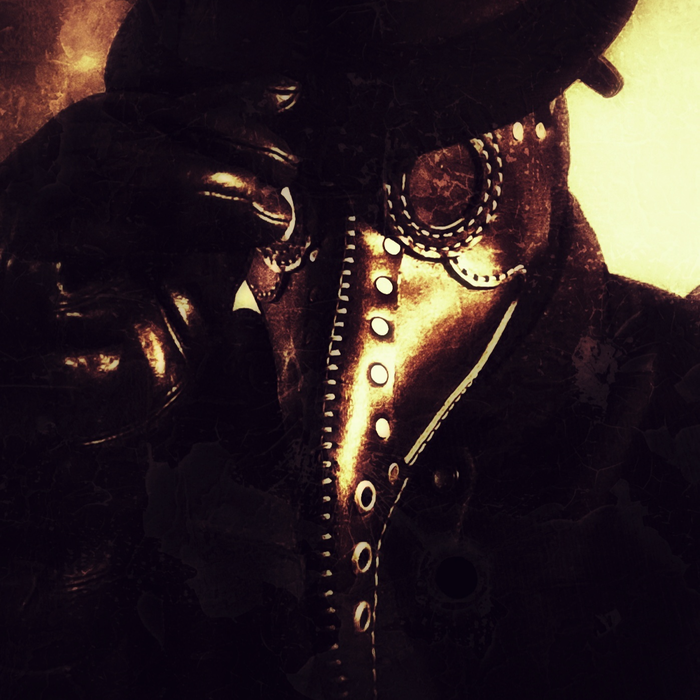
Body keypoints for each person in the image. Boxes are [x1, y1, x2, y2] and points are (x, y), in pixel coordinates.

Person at [0, 1, 698, 698]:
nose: (350, 255)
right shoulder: (153, 423)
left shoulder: (676, 408)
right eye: (292, 194)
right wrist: (52, 511)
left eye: (429, 184)